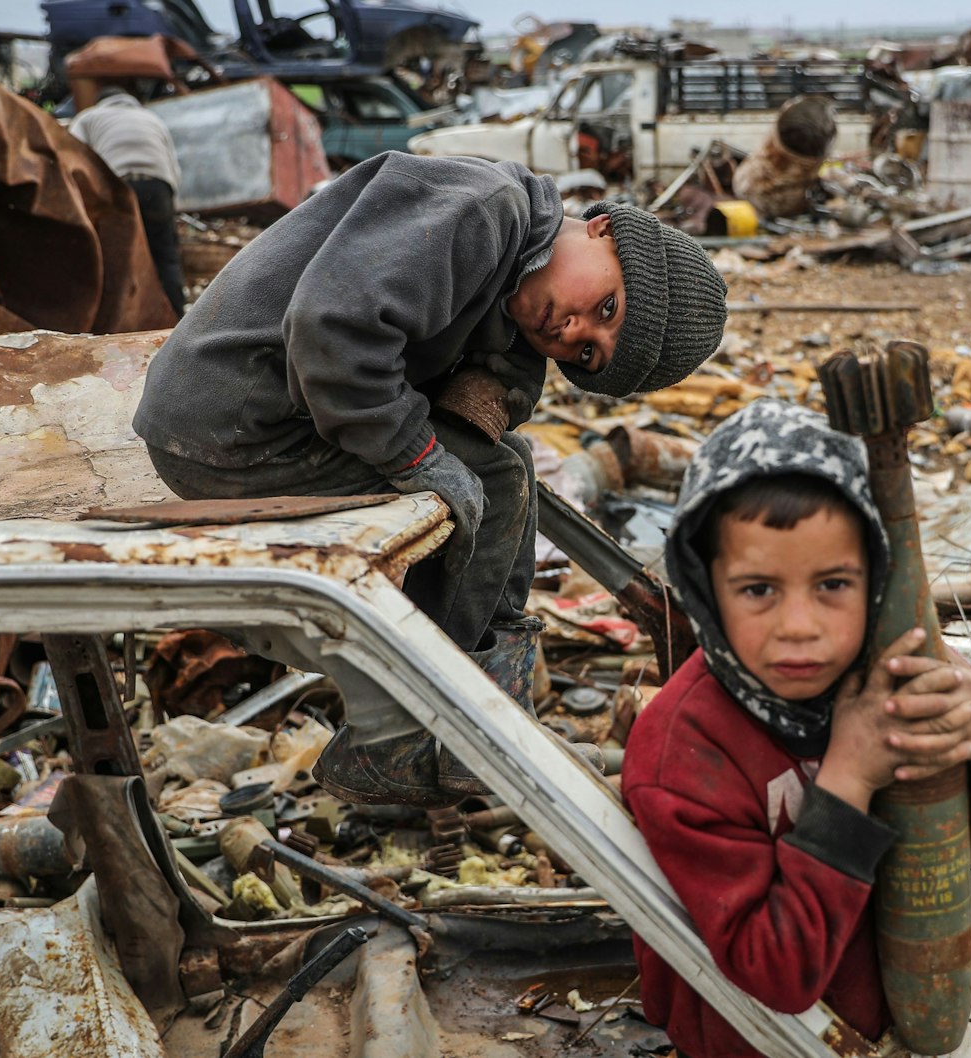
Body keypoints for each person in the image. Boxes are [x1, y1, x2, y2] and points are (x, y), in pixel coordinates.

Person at [134, 152, 727, 805]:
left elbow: (499, 388)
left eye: (587, 353)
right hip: (229, 425)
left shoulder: (516, 257)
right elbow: (333, 329)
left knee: (506, 466)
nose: (574, 331)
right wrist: (416, 454)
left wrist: (487, 394)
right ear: (604, 229)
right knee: (494, 480)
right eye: (607, 307)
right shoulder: (485, 209)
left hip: (264, 414)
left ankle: (475, 720)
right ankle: (401, 736)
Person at [622, 400, 971, 1058]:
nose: (799, 626)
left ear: (875, 579)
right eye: (757, 590)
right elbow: (774, 976)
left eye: (832, 583)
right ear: (704, 588)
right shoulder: (683, 753)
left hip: (898, 1016)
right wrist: (849, 778)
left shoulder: (896, 680)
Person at [69, 85, 187, 314]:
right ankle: (178, 318)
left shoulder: (89, 117)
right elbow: (174, 168)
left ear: (101, 102)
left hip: (120, 186)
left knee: (116, 256)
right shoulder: (152, 118)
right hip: (159, 186)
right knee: (166, 257)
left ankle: (116, 320)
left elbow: (72, 155)